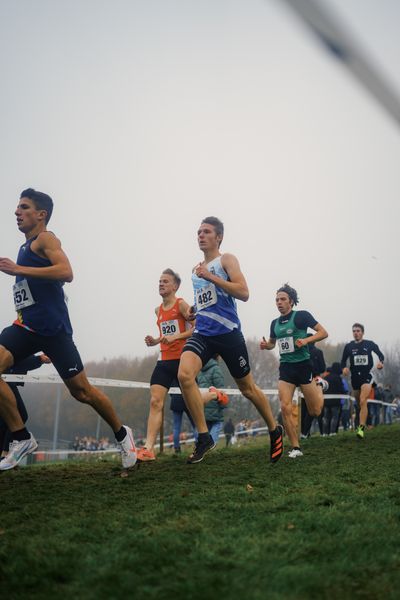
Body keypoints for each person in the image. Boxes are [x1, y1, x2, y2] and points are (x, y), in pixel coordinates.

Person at [0, 188, 137, 470]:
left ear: (41, 215)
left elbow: (66, 272)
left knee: (82, 392)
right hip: (26, 328)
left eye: (24, 207)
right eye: (17, 207)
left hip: (55, 332)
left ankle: (123, 435)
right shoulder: (24, 248)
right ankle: (21, 437)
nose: (17, 212)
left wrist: (19, 271)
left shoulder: (45, 239)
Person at [178, 216, 284, 464]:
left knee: (247, 389)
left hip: (228, 334)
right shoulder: (196, 271)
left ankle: (273, 429)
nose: (200, 235)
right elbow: (210, 297)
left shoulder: (226, 260)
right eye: (198, 232)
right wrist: (196, 308)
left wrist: (210, 276)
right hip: (203, 333)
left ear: (219, 237)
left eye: (206, 232)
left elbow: (243, 293)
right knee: (184, 375)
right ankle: (204, 437)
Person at [138, 269, 227, 461]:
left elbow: (197, 327)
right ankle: (148, 448)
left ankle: (214, 394)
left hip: (183, 360)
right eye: (159, 281)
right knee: (155, 401)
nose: (161, 284)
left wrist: (176, 337)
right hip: (164, 360)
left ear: (175, 286)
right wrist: (155, 341)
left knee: (191, 401)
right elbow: (166, 336)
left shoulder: (180, 304)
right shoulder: (157, 310)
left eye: (165, 281)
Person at [260, 283, 328, 458]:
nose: (279, 302)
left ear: (291, 301)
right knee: (285, 407)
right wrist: (266, 345)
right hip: (286, 369)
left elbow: (323, 332)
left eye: (282, 299)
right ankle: (296, 447)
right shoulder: (274, 323)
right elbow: (272, 343)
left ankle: (320, 385)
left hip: (304, 366)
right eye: (276, 300)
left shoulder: (301, 316)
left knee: (315, 411)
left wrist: (306, 341)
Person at [0, 353, 50, 459]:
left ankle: (4, 454)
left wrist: (39, 359)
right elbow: (18, 358)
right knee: (20, 415)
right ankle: (5, 454)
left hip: (6, 380)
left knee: (5, 420)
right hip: (5, 382)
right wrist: (39, 359)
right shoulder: (15, 341)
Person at [341, 323, 384, 439]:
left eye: (358, 331)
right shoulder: (349, 346)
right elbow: (343, 361)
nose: (356, 333)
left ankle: (361, 429)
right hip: (355, 378)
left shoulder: (369, 344)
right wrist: (344, 368)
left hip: (367, 376)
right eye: (354, 331)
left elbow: (381, 355)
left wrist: (381, 363)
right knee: (359, 404)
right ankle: (363, 420)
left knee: (363, 399)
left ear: (363, 332)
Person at [196, 356, 228, 445]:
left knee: (205, 428)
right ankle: (210, 447)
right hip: (215, 404)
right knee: (218, 423)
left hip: (203, 405)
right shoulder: (216, 369)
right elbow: (220, 389)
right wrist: (223, 405)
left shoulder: (199, 370)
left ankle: (201, 447)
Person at [169, 380, 196, 453]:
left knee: (176, 427)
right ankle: (198, 445)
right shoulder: (187, 370)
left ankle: (177, 448)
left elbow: (170, 390)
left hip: (175, 400)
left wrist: (174, 397)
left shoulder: (172, 373)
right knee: (195, 425)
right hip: (188, 399)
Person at [322, 363, 346, 436]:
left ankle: (325, 433)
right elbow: (341, 389)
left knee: (326, 417)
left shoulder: (326, 378)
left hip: (326, 401)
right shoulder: (338, 378)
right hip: (335, 401)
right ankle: (332, 432)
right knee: (334, 417)